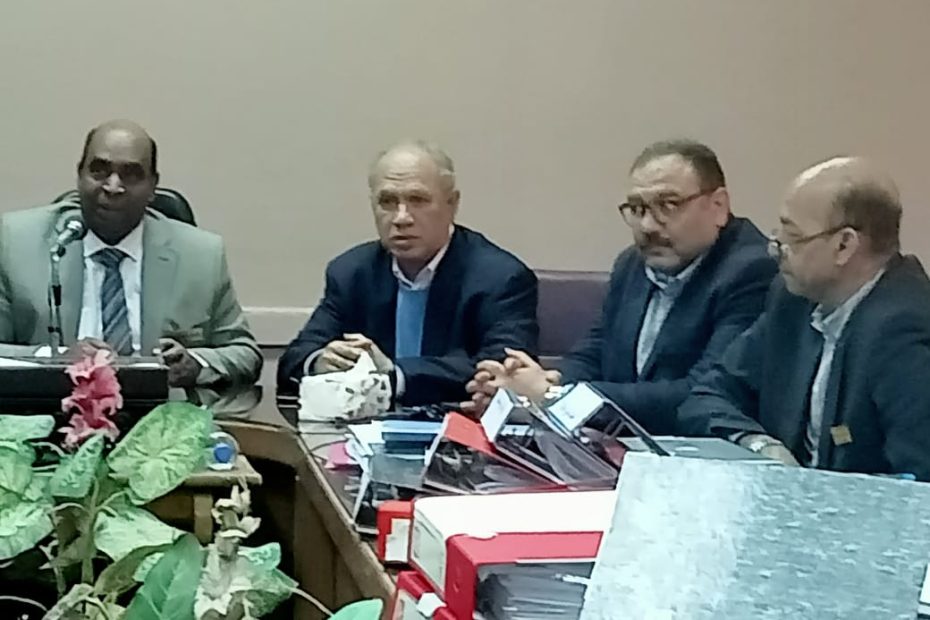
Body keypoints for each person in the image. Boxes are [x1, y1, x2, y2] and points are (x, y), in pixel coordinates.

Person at [465, 139, 776, 433]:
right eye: (637, 208)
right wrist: (538, 384)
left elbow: (701, 394)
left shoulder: (752, 271)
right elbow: (595, 350)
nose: (648, 226)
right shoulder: (633, 263)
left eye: (668, 205)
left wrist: (555, 396)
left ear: (718, 205)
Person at [677, 157, 930, 480]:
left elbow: (918, 485)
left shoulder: (904, 329)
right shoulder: (794, 300)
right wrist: (761, 446)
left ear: (844, 245)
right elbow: (708, 396)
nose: (773, 251)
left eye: (791, 239)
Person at [0, 119, 261, 387]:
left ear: (153, 186)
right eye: (99, 171)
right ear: (79, 175)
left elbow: (244, 353)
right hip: (52, 407)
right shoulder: (16, 242)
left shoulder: (201, 255)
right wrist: (55, 357)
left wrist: (194, 364)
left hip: (161, 408)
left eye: (131, 174)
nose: (113, 186)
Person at [277, 140, 538, 406]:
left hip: (456, 425)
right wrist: (320, 362)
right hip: (365, 425)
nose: (401, 218)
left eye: (418, 200)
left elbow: (504, 374)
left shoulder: (501, 278)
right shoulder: (352, 272)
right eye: (387, 202)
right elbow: (296, 358)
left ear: (452, 203)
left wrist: (395, 374)